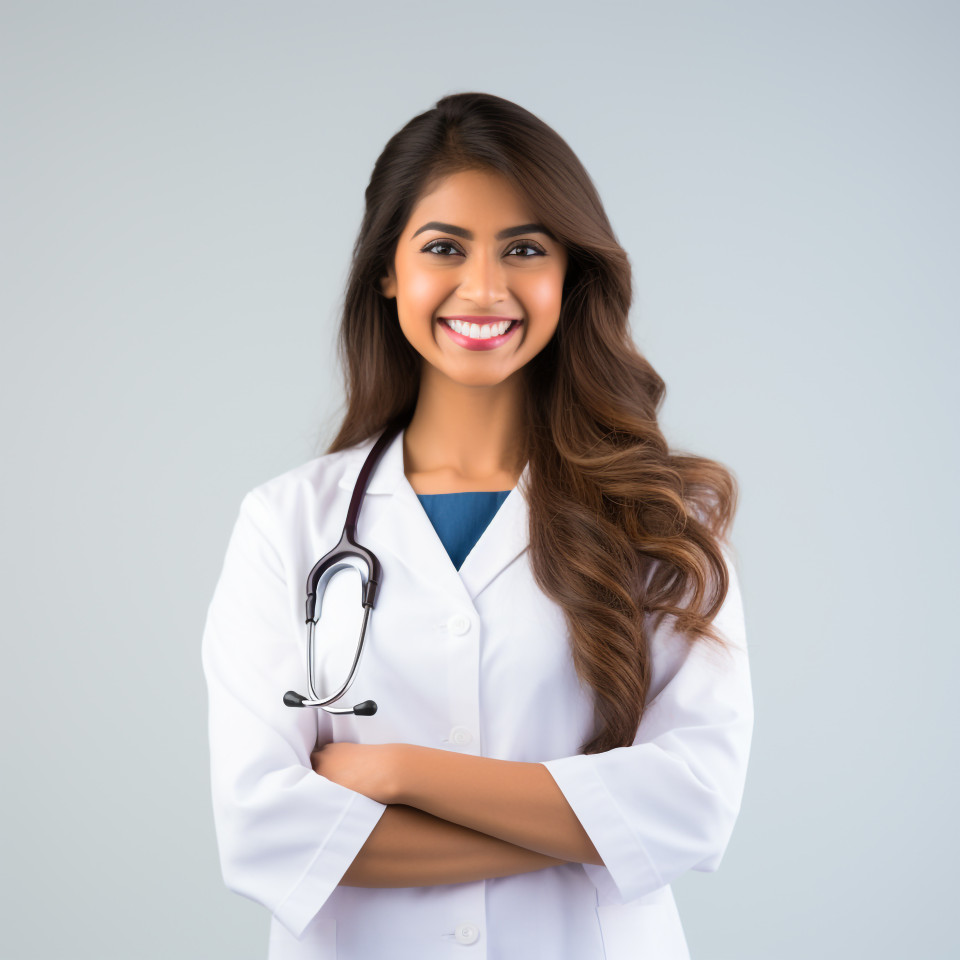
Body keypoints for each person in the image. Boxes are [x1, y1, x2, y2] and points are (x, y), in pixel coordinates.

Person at [201, 91, 753, 960]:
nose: (484, 288)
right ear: (388, 271)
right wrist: (593, 831)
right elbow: (263, 829)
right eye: (444, 248)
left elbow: (693, 801)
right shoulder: (287, 525)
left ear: (570, 273)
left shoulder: (660, 520)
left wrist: (401, 773)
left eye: (525, 249)